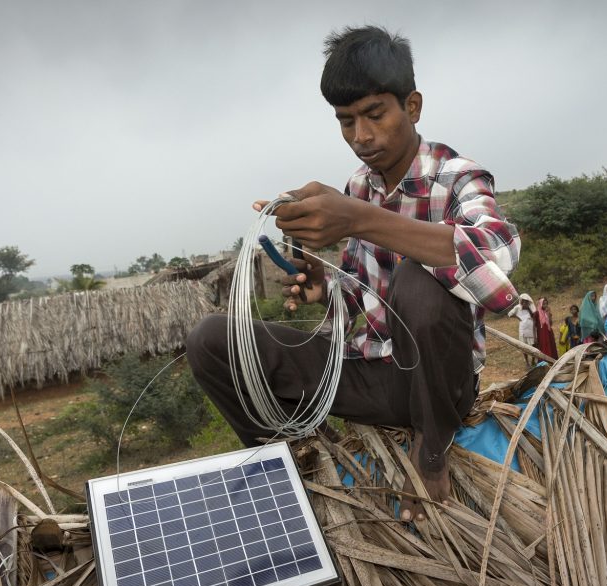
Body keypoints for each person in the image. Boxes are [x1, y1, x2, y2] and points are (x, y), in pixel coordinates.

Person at [186, 26, 520, 523]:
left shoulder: (458, 177)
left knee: (418, 279)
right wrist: (325, 289)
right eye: (346, 121)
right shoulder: (358, 186)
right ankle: (285, 464)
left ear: (412, 106)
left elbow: (495, 270)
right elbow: (362, 292)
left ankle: (430, 457)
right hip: (370, 373)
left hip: (435, 385)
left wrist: (360, 219)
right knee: (211, 339)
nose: (361, 137)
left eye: (374, 115)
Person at [507, 294, 537, 369]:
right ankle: (527, 363)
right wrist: (517, 317)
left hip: (531, 329)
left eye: (526, 302)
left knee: (533, 345)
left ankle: (533, 361)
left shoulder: (530, 308)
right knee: (524, 346)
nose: (524, 303)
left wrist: (529, 309)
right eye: (523, 301)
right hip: (523, 329)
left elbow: (534, 316)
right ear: (521, 301)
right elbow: (509, 314)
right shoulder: (517, 307)